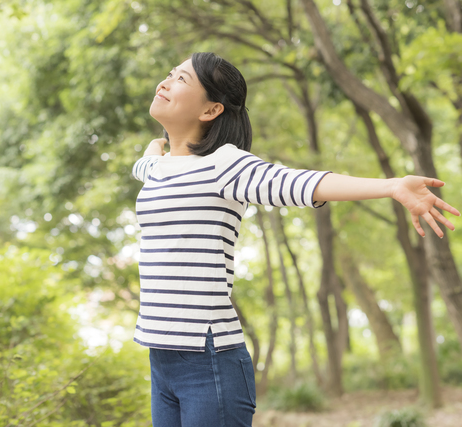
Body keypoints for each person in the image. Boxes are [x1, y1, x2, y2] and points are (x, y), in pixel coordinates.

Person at [130, 52, 459, 427]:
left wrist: (391, 186)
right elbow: (145, 162)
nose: (164, 82)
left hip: (208, 361)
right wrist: (157, 146)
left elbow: (298, 183)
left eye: (181, 79)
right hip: (161, 358)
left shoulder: (224, 165)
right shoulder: (157, 169)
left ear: (211, 110)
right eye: (169, 74)